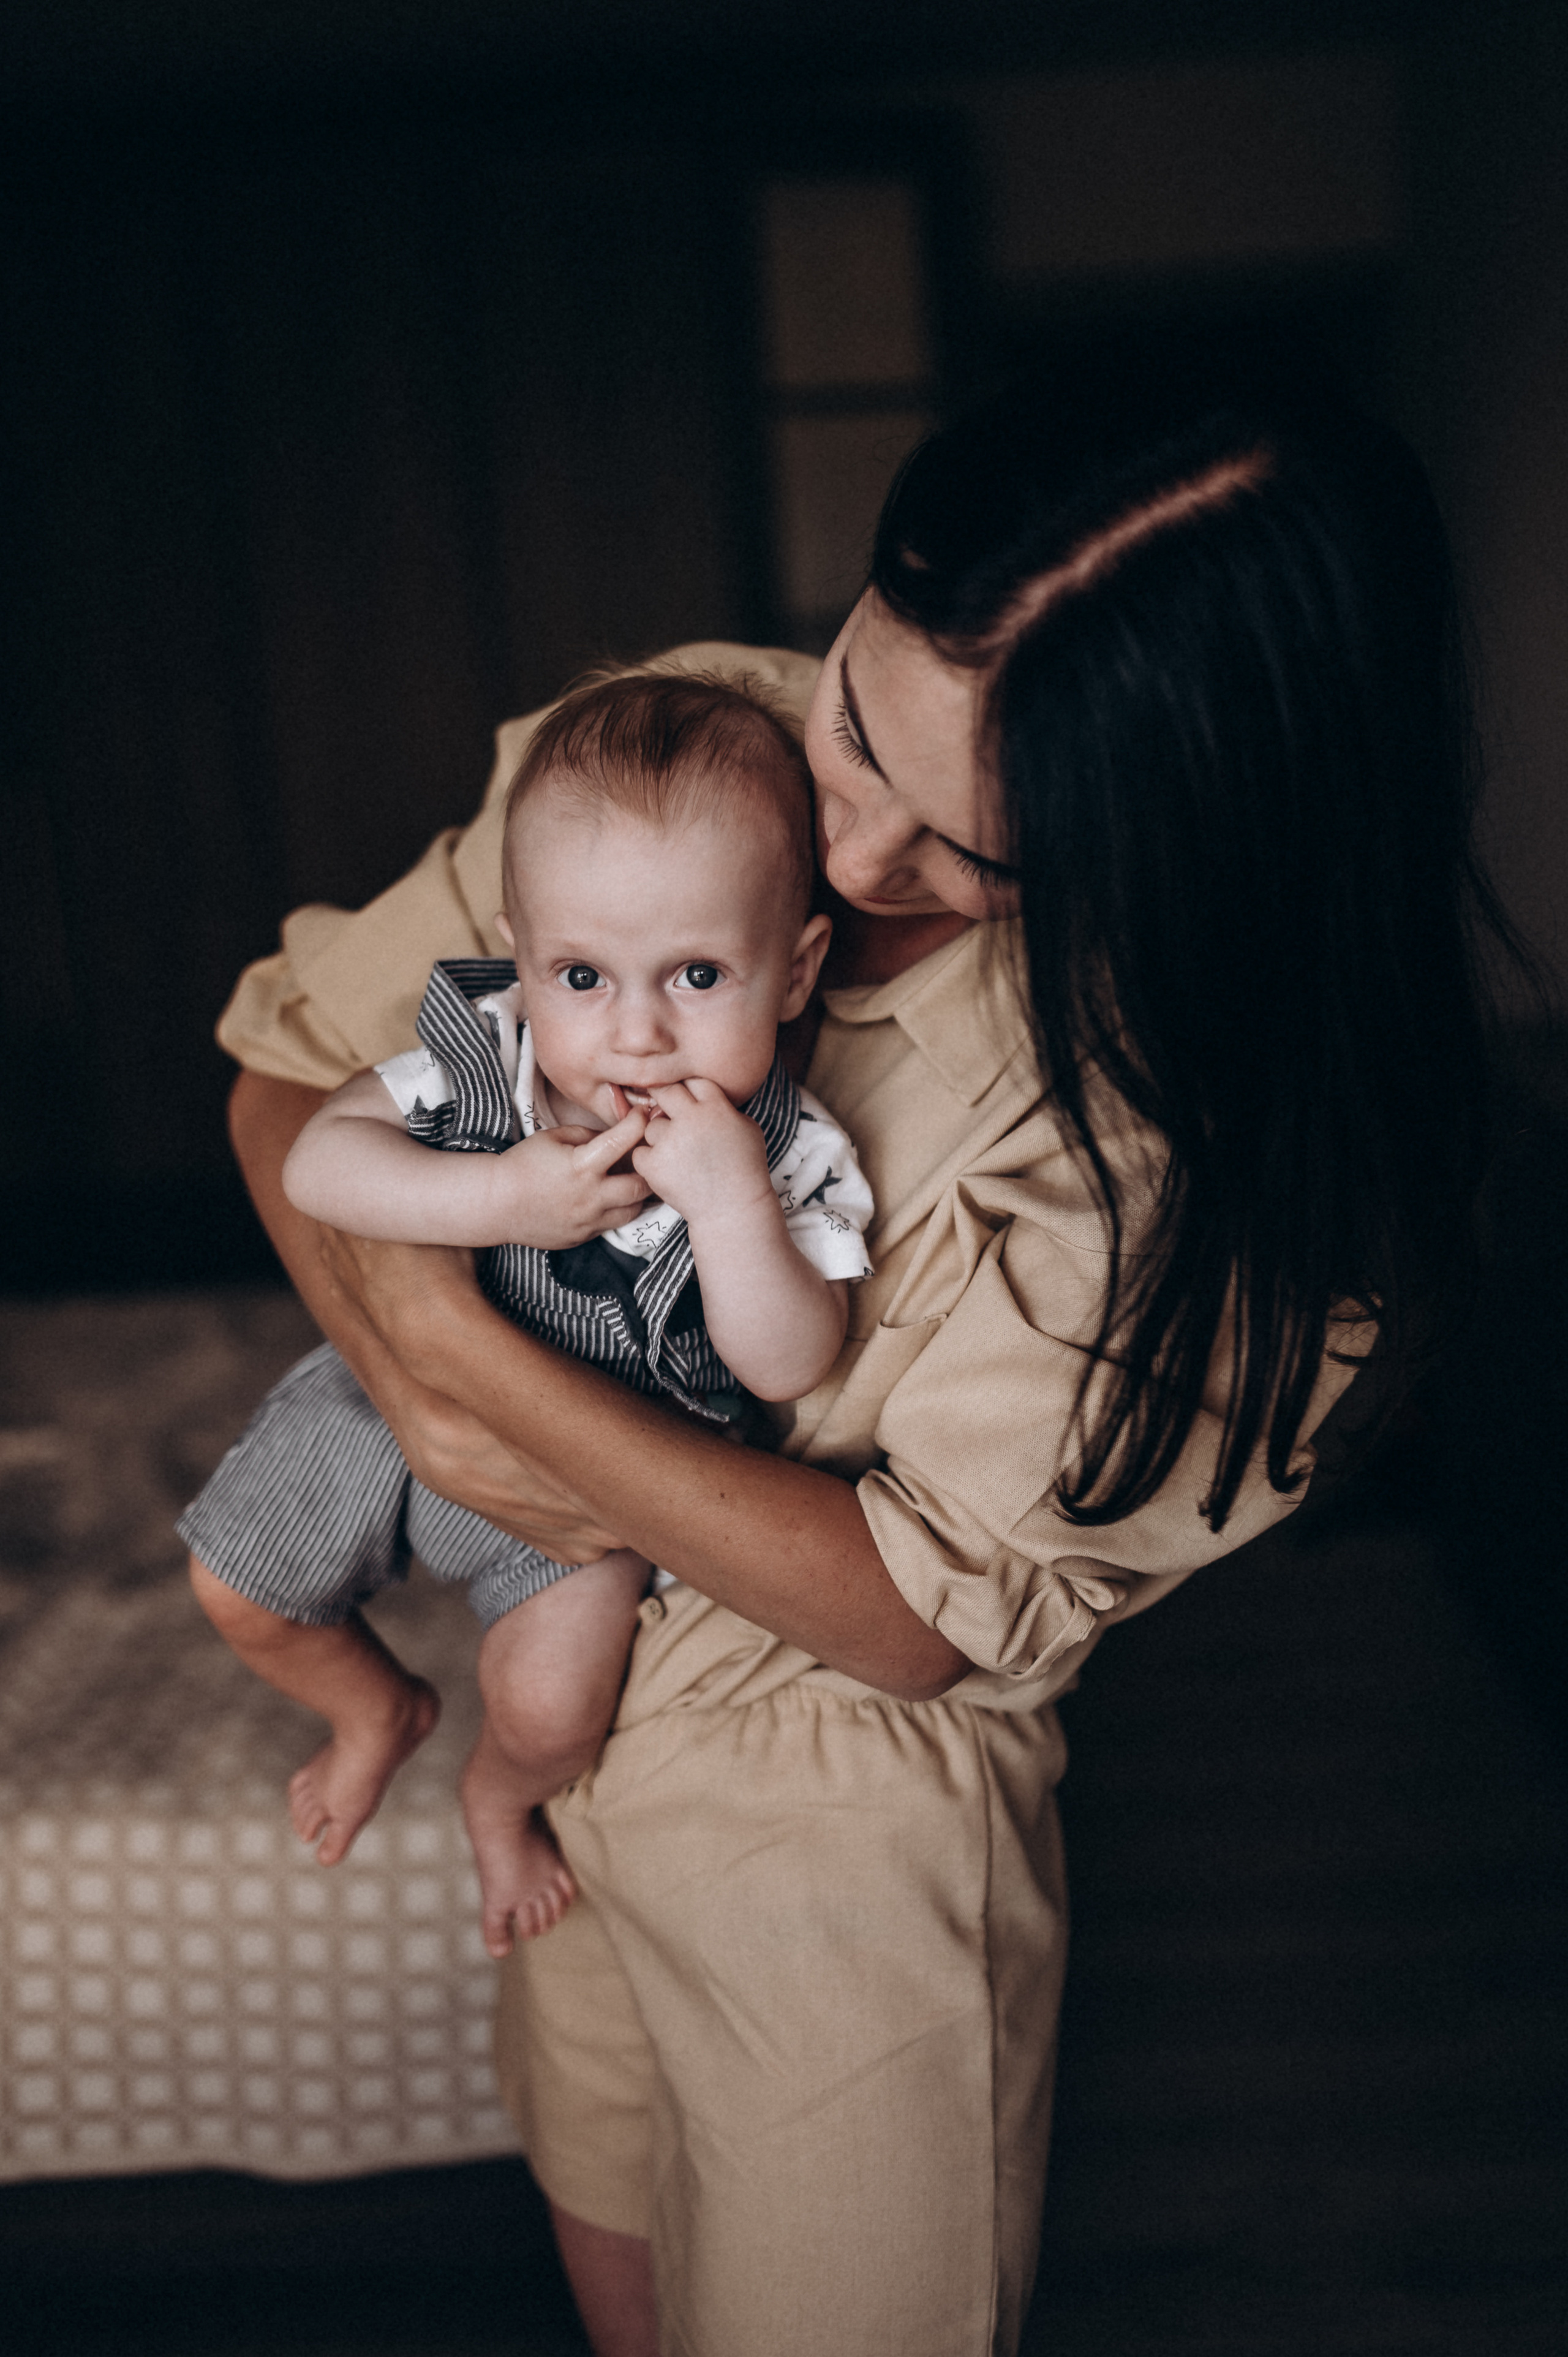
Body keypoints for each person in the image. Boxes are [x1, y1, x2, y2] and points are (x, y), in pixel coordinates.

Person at [211, 348, 1513, 2357]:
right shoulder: (665, 754)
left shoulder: (1198, 1140)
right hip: (570, 1735)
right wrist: (423, 1346)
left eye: (976, 851)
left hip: (828, 1800)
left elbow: (916, 1612)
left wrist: (467, 1366)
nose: (852, 847)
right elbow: (288, 1071)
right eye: (855, 720)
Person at [181, 670, 873, 1954]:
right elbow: (314, 1164)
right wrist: (494, 1193)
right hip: (388, 1406)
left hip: (583, 1498)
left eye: (700, 973)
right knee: (238, 1591)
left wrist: (729, 1211)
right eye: (581, 974)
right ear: (520, 953)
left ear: (794, 972)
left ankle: (495, 1796)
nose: (637, 1033)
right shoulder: (488, 1053)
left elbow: (792, 1353)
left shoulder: (785, 1156)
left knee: (553, 1708)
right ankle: (373, 1710)